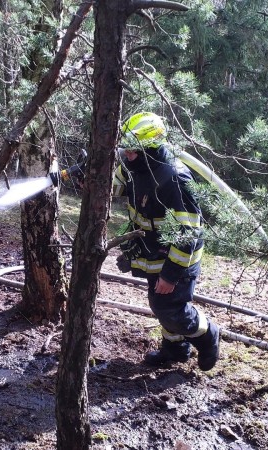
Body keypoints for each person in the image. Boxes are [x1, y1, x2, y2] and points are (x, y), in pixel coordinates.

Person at [111, 112, 220, 371]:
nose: (127, 156)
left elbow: (189, 232)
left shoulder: (174, 178)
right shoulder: (135, 165)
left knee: (168, 306)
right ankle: (175, 348)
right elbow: (113, 185)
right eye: (126, 149)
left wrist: (171, 274)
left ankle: (208, 334)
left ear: (150, 149)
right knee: (159, 302)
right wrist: (83, 173)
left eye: (133, 151)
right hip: (153, 249)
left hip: (179, 256)